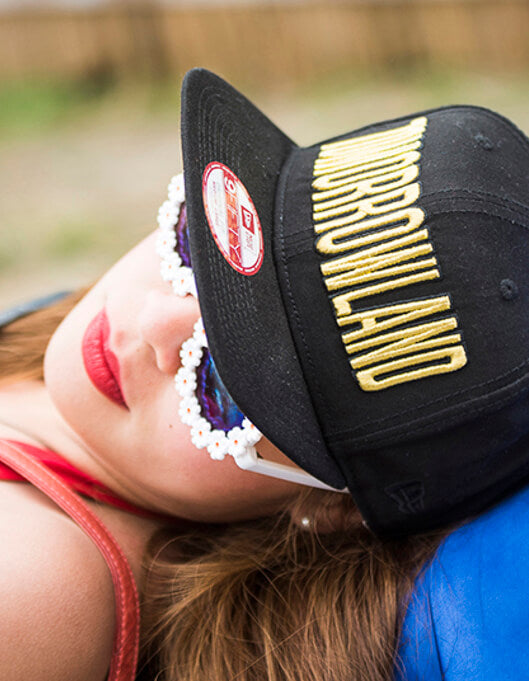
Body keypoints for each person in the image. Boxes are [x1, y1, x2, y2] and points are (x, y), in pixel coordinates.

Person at [2, 68, 529, 681]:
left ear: (324, 509)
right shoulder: (57, 354)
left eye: (220, 386)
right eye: (195, 249)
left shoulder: (31, 584)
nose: (152, 322)